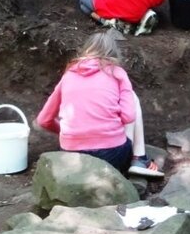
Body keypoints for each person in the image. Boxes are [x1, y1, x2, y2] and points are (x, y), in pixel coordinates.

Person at [36, 30, 163, 177]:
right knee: (132, 97)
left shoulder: (69, 75)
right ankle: (139, 159)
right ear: (113, 54)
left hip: (71, 155)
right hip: (112, 155)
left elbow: (43, 120)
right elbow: (128, 117)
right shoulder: (117, 73)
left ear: (85, 51)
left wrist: (68, 132)